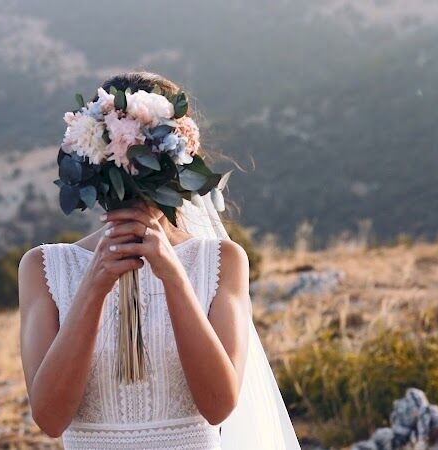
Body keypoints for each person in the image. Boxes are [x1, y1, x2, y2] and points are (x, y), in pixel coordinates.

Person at [18, 72, 300, 449]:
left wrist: (174, 277)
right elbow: (50, 419)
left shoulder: (221, 261)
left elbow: (218, 406)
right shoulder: (43, 268)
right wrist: (94, 286)